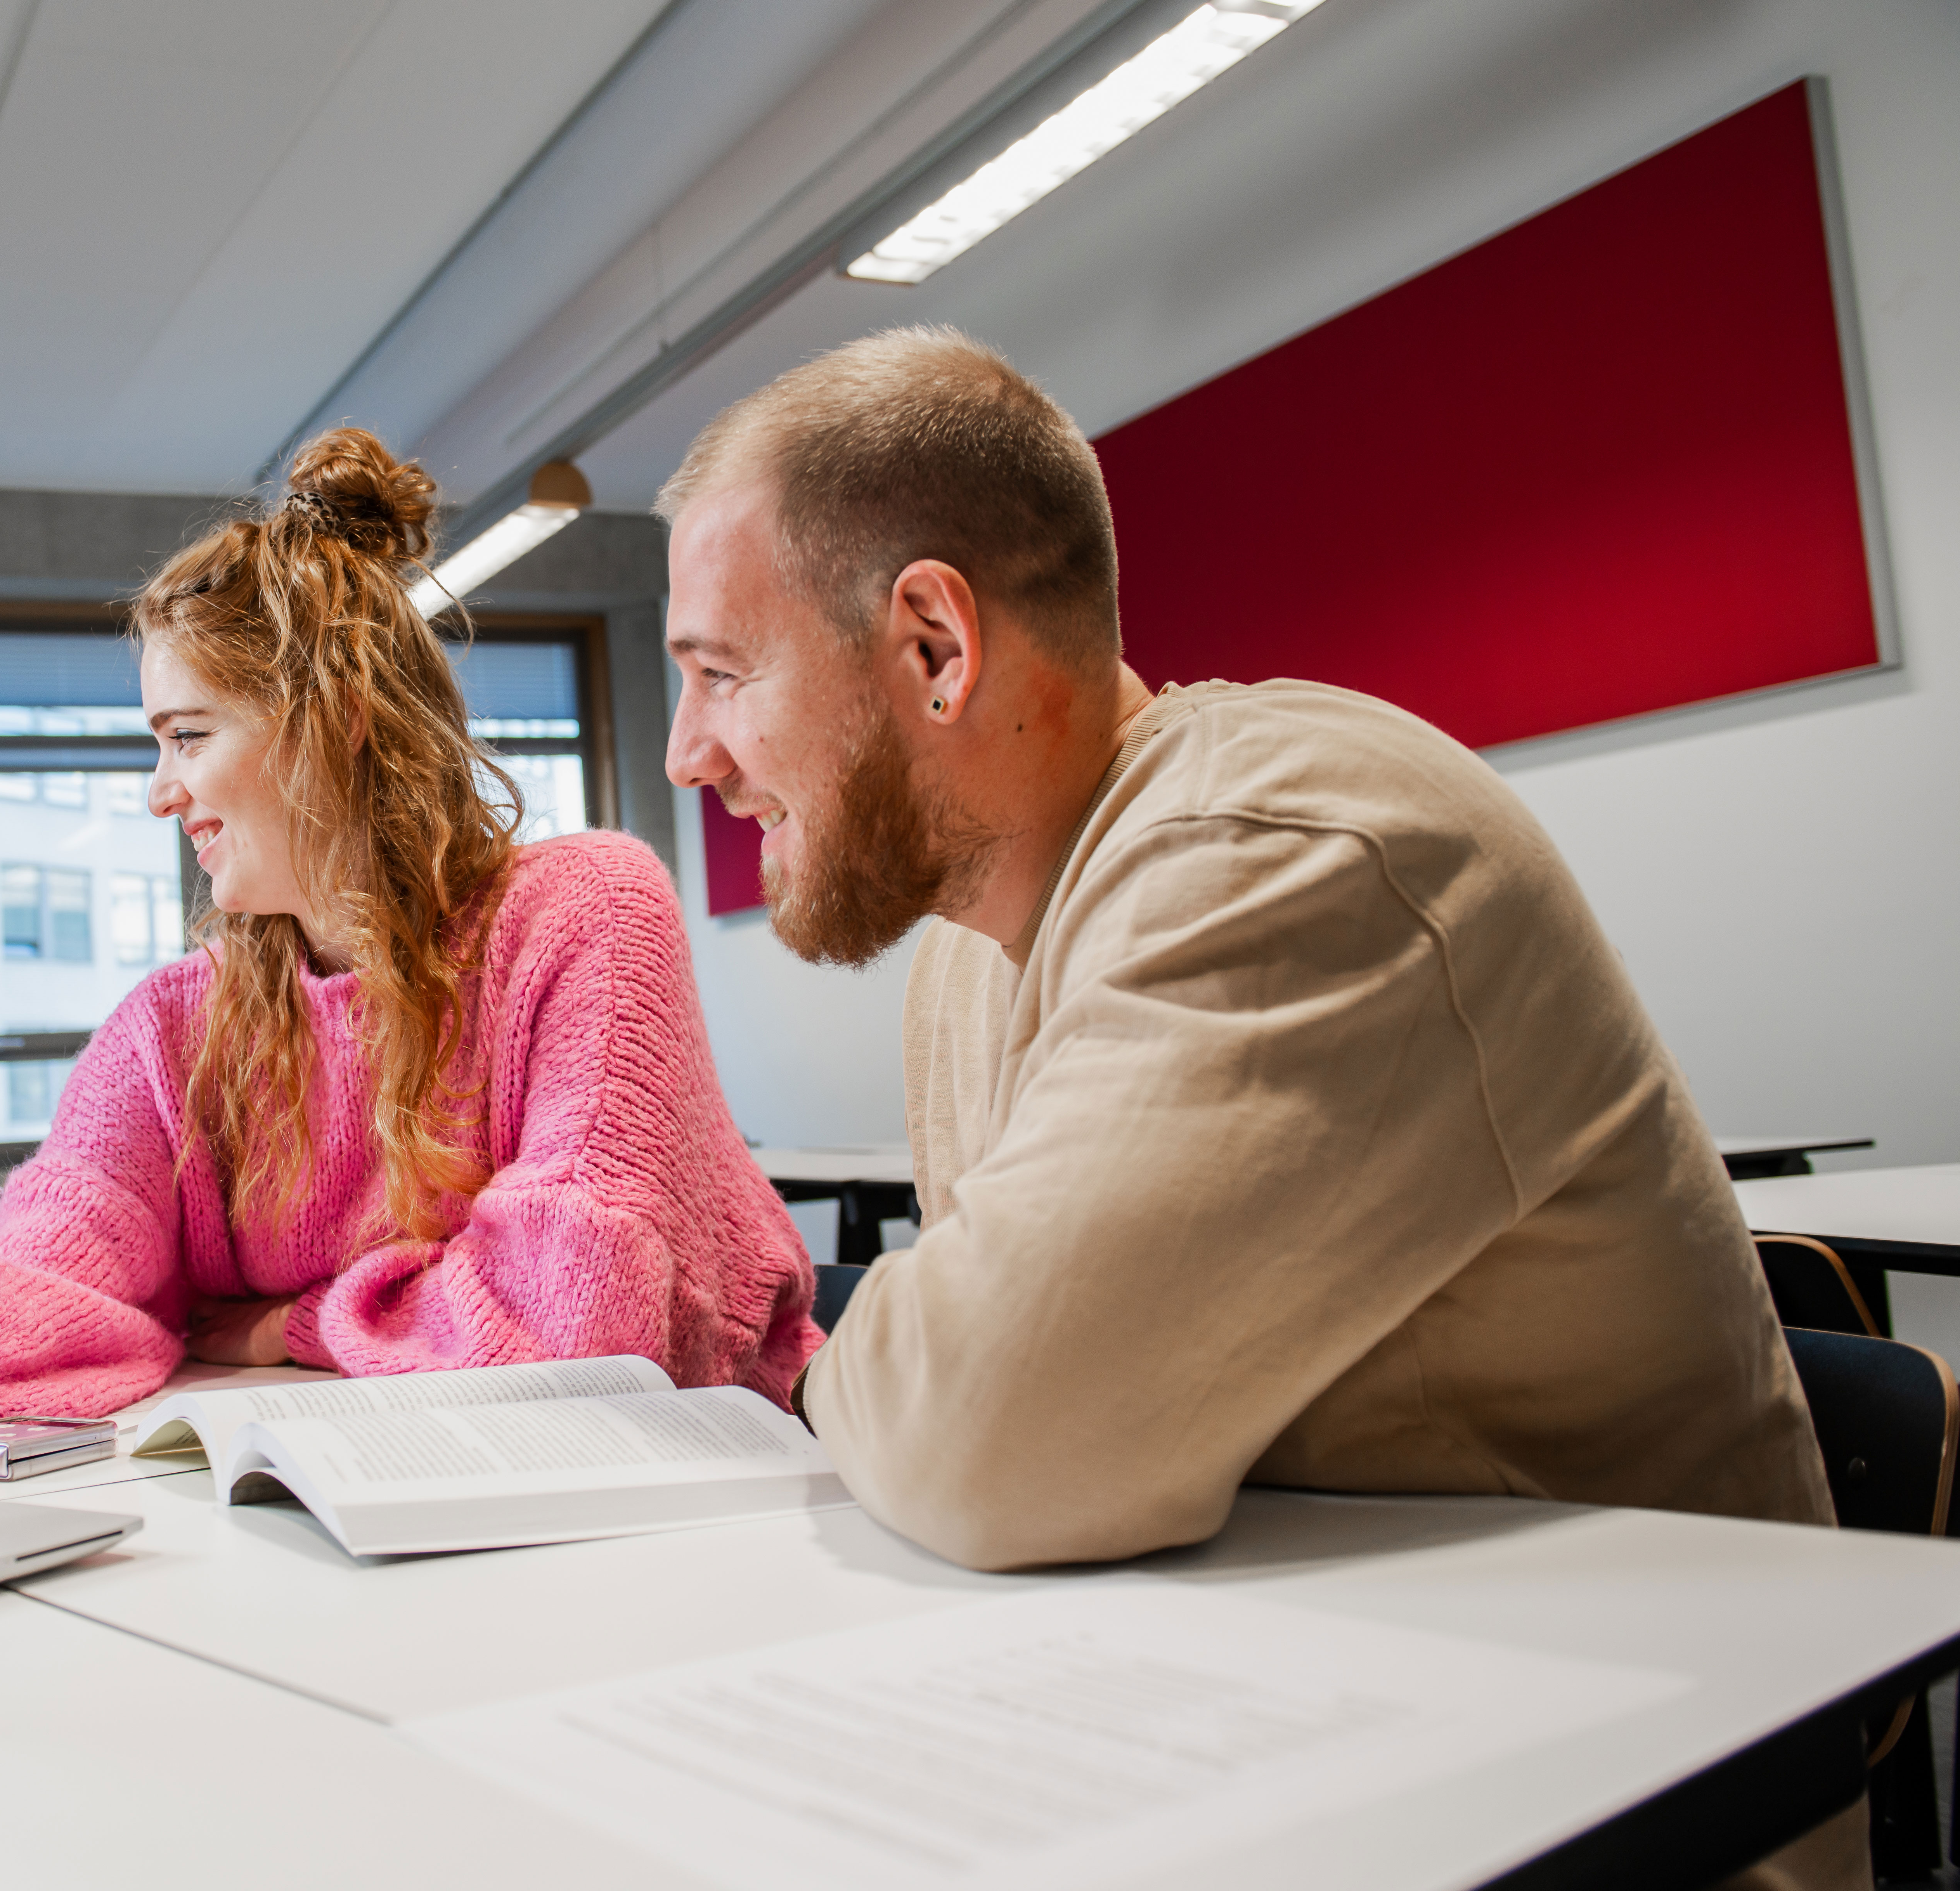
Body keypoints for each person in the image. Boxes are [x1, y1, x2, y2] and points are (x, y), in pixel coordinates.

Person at [654, 326, 1854, 1889]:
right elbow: (992, 1414)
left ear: (936, 648)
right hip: (1287, 1725)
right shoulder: (966, 961)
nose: (691, 757)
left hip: (1594, 1810)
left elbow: (989, 1441)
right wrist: (923, 1348)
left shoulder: (1288, 851)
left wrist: (844, 1357)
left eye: (723, 676)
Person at [0, 428, 822, 1496]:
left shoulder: (580, 910)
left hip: (698, 1497)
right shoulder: (174, 1026)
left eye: (189, 736)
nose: (159, 791)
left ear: (339, 721)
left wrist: (294, 1324)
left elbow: (575, 1317)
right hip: (408, 1498)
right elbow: (52, 1266)